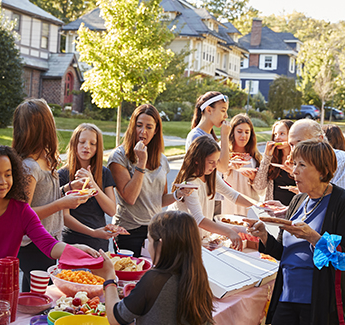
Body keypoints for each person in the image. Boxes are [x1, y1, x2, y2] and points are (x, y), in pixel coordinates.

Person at [0, 144, 98, 297]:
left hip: (2, 295)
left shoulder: (21, 211)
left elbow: (48, 245)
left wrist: (76, 249)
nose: (3, 181)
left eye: (8, 174)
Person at [245, 140, 345, 325]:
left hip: (318, 301)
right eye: (294, 163)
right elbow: (282, 252)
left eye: (302, 165)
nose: (294, 171)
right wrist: (264, 235)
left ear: (322, 170)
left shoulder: (344, 202)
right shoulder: (298, 200)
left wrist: (313, 237)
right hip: (287, 295)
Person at [12, 98, 106, 292]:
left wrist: (67, 188)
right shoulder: (29, 167)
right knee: (41, 295)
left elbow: (45, 195)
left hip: (51, 240)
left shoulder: (45, 157)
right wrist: (62, 203)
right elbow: (22, 215)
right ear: (43, 127)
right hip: (34, 245)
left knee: (41, 294)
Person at [288, 119, 345, 325]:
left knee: (339, 310)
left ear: (320, 140)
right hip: (297, 291)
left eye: (299, 142)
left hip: (343, 249)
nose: (295, 150)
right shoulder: (301, 198)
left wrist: (314, 236)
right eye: (291, 145)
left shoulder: (344, 163)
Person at [96, 211, 215, 325]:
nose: (148, 247)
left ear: (161, 244)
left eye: (149, 240)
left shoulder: (155, 279)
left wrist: (110, 278)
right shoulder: (198, 274)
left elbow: (115, 318)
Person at [107, 104, 190, 257]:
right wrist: (141, 163)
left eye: (149, 127)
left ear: (156, 130)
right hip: (128, 231)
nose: (142, 131)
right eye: (139, 125)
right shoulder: (118, 157)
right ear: (132, 126)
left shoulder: (162, 160)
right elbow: (130, 197)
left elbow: (160, 200)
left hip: (155, 229)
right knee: (130, 276)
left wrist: (178, 194)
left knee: (153, 277)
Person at [168, 136, 258, 250]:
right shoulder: (189, 184)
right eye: (211, 162)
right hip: (181, 239)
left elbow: (233, 195)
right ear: (197, 160)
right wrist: (228, 232)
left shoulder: (211, 176)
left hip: (200, 238)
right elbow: (199, 220)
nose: (215, 166)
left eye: (216, 161)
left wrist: (259, 207)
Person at [58, 123, 118, 251]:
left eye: (92, 143)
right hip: (73, 241)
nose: (87, 147)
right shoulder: (63, 175)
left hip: (99, 243)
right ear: (75, 144)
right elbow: (65, 217)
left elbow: (112, 210)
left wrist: (93, 183)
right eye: (82, 142)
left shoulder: (105, 173)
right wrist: (92, 232)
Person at [222, 113, 263, 215]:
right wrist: (229, 167)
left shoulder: (255, 157)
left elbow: (262, 191)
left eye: (247, 132)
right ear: (232, 133)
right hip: (227, 208)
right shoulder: (223, 153)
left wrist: (254, 179)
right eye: (239, 131)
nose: (243, 136)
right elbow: (215, 178)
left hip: (249, 209)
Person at [253, 120, 297, 205]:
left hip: (294, 209)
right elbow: (259, 185)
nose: (277, 138)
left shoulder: (300, 158)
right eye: (275, 134)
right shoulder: (272, 159)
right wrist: (267, 156)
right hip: (274, 210)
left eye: (282, 134)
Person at [186, 91, 231, 174]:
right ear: (209, 110)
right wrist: (225, 136)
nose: (226, 116)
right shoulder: (196, 136)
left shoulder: (210, 136)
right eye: (223, 110)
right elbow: (222, 167)